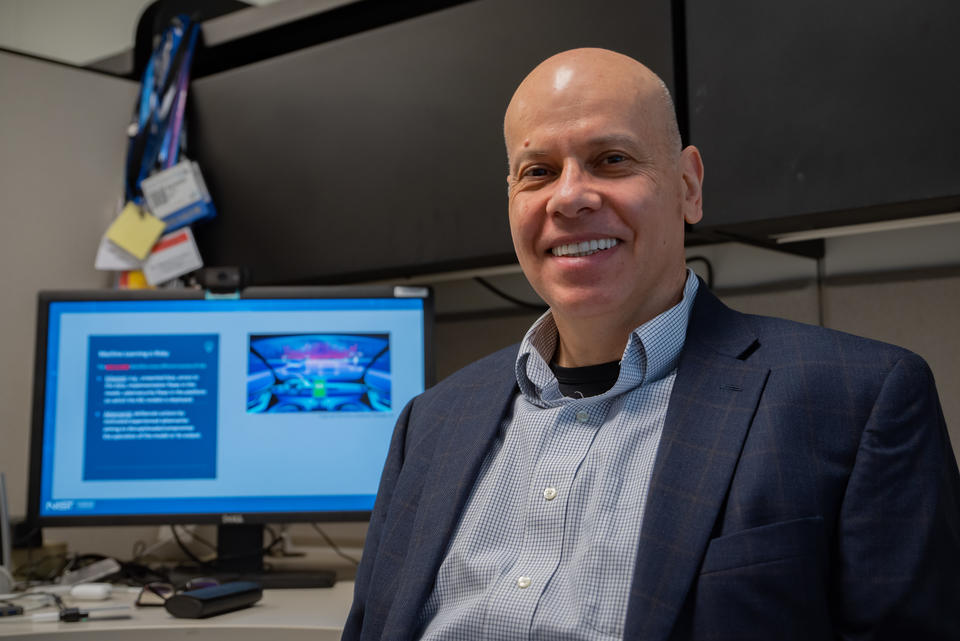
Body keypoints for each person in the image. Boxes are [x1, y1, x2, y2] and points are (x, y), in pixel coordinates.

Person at [342, 48, 960, 640]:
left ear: (689, 187)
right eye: (539, 171)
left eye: (612, 160)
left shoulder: (859, 401)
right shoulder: (429, 425)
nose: (569, 196)